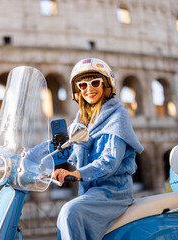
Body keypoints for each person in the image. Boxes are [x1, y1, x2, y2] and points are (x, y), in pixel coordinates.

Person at [52, 58, 144, 240]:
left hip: (114, 192)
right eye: (82, 85)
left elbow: (110, 160)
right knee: (65, 216)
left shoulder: (118, 115)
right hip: (90, 191)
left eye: (95, 82)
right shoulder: (81, 119)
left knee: (69, 212)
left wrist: (77, 174)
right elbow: (65, 148)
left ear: (106, 84)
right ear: (77, 90)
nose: (89, 89)